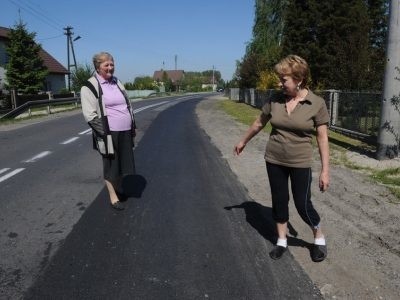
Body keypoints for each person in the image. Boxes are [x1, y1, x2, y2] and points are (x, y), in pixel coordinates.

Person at [234, 55, 330, 262]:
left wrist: (325, 170)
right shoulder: (275, 99)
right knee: (279, 201)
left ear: (299, 79)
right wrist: (243, 141)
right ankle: (281, 241)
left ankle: (318, 238)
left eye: (283, 79)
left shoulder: (317, 103)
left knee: (302, 204)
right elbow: (259, 123)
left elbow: (322, 138)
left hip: (300, 162)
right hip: (274, 159)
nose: (279, 83)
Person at [81, 52, 136, 211]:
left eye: (112, 64)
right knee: (111, 165)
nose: (110, 68)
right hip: (108, 133)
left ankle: (118, 189)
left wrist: (133, 125)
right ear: (98, 67)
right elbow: (90, 115)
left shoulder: (117, 82)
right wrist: (105, 134)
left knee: (122, 164)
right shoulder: (90, 86)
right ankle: (113, 197)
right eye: (107, 65)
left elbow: (127, 104)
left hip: (125, 129)